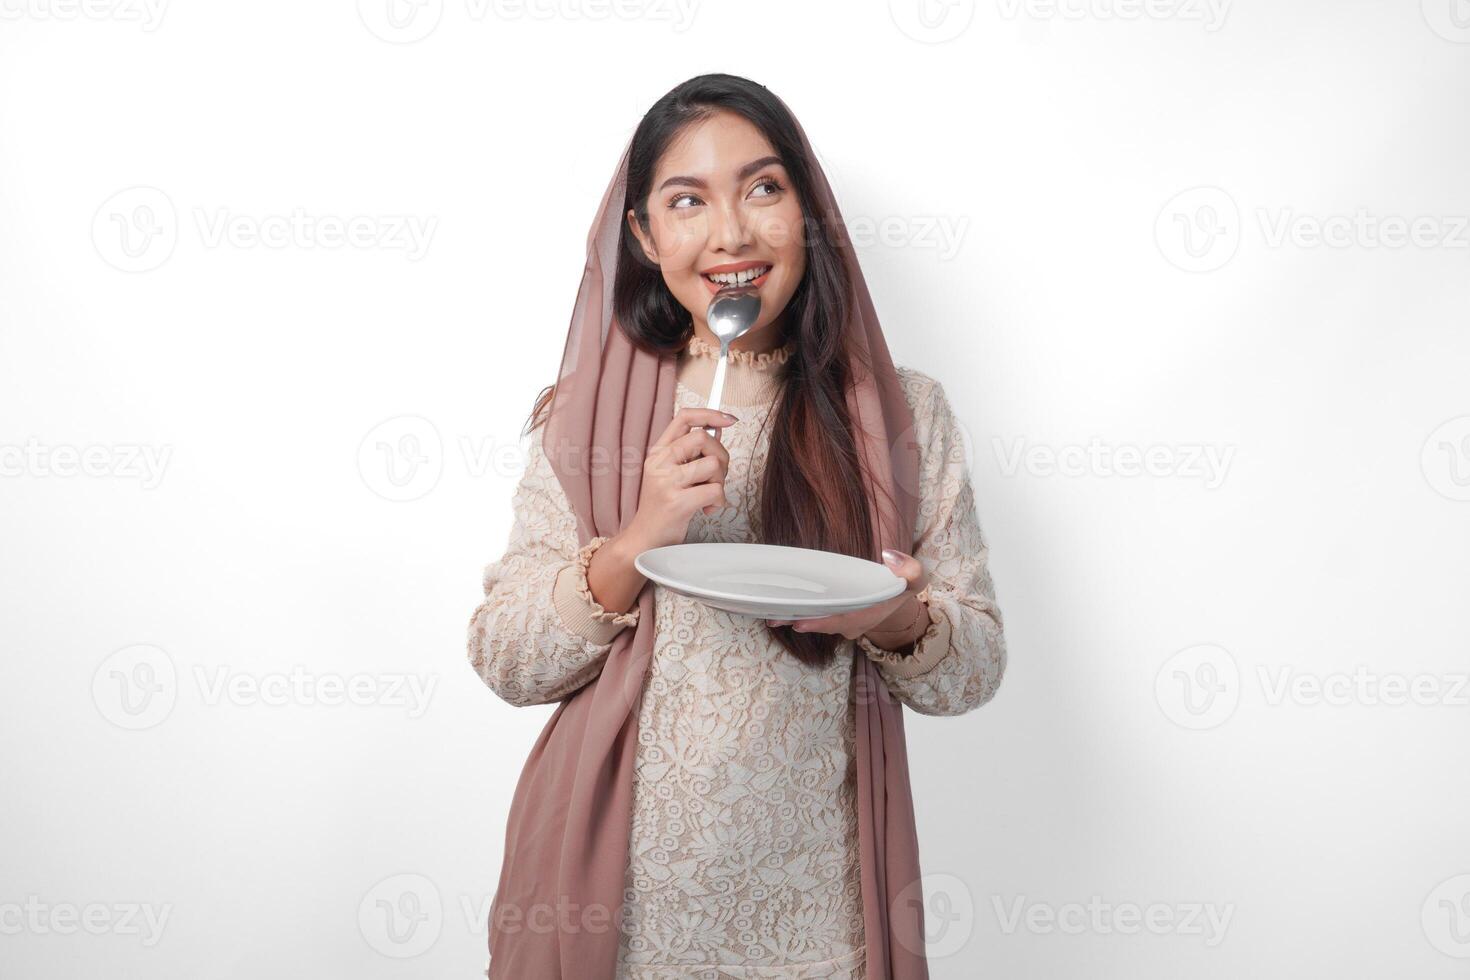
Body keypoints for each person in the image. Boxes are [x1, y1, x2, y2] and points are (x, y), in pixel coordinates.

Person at [467, 73, 1007, 980]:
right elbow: (505, 660)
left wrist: (897, 618)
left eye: (763, 188)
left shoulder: (902, 414)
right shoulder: (590, 416)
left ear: (809, 211)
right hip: (615, 912)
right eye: (688, 202)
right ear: (643, 235)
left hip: (819, 922)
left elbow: (973, 675)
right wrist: (640, 538)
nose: (731, 234)